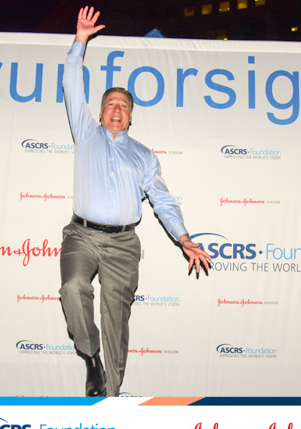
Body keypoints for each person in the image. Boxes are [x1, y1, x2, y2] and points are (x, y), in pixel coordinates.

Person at [60, 6, 211, 397]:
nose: (117, 110)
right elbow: (71, 83)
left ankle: (109, 397)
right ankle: (90, 357)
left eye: (123, 106)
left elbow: (162, 199)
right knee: (73, 287)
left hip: (125, 244)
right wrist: (80, 40)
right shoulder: (86, 133)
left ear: (130, 118)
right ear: (99, 113)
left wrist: (183, 237)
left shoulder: (143, 156)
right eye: (111, 104)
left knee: (116, 320)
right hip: (82, 235)